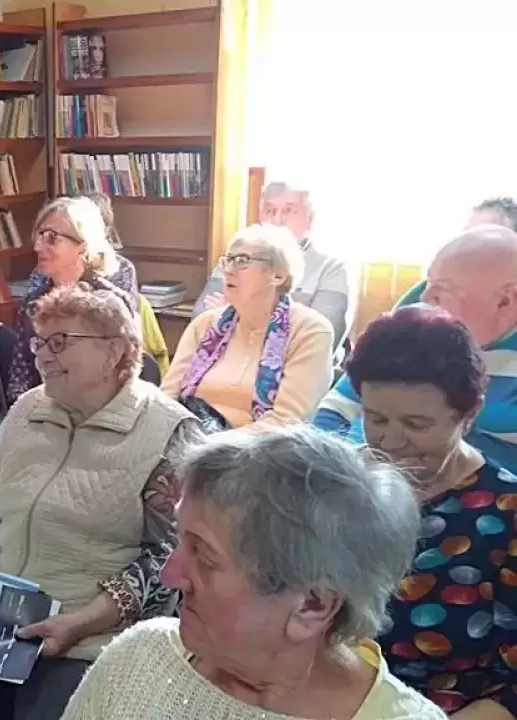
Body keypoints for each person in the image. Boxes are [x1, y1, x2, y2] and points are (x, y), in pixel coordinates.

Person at [61, 426, 446, 720]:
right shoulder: (141, 658)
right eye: (180, 539)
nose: (169, 575)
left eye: (205, 557)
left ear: (311, 605)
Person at [0, 284, 203, 719]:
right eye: (39, 342)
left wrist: (79, 624)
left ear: (113, 351)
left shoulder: (168, 432)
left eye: (60, 342)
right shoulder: (26, 410)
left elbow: (169, 559)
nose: (42, 357)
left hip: (88, 639)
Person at [342, 305, 517, 717]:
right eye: (376, 418)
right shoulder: (337, 486)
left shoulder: (506, 514)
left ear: (469, 415)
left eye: (417, 425)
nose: (391, 442)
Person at [314, 224, 517, 472]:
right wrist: (322, 468)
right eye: (428, 282)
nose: (424, 297)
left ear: (506, 301)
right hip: (369, 473)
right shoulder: (419, 320)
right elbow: (340, 404)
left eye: (442, 290)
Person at [161, 223, 334, 431]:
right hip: (188, 438)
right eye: (228, 260)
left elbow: (285, 422)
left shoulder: (310, 331)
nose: (228, 270)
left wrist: (210, 445)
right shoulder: (205, 324)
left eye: (242, 261)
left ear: (278, 276)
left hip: (261, 448)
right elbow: (167, 399)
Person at [193, 180, 354, 357]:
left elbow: (319, 341)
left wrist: (232, 314)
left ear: (310, 219)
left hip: (298, 366)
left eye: (288, 211)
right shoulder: (234, 259)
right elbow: (200, 322)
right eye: (270, 211)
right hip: (227, 361)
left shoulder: (333, 268)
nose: (277, 220)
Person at [7, 196, 137, 405]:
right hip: (42, 408)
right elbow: (20, 379)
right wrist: (27, 412)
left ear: (82, 246)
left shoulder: (109, 304)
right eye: (39, 236)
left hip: (100, 412)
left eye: (51, 238)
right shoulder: (33, 303)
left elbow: (126, 379)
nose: (38, 247)